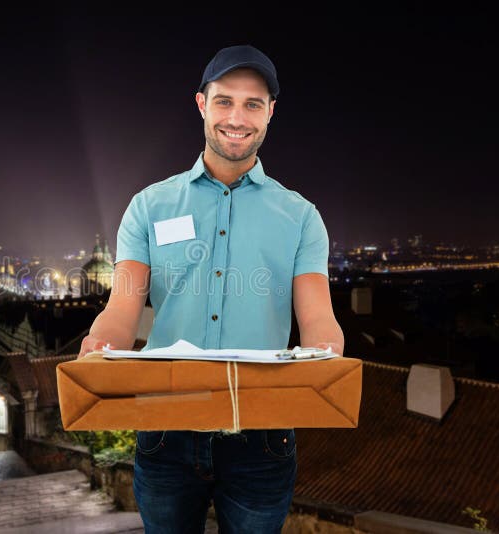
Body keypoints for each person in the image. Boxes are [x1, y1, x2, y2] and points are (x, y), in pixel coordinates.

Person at [77, 44, 344, 533]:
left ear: (270, 114)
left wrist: (326, 352)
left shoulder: (302, 217)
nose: (237, 117)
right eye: (224, 101)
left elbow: (318, 317)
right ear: (201, 104)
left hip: (262, 435)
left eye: (252, 104)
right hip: (164, 429)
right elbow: (123, 309)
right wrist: (100, 344)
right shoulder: (147, 207)